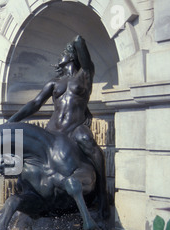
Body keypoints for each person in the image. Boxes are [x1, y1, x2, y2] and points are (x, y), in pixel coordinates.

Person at [8, 35, 108, 217]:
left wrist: (76, 42)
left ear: (71, 56)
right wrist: (12, 120)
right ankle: (25, 192)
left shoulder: (85, 75)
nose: (59, 57)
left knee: (88, 141)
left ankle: (102, 198)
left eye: (63, 53)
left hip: (74, 128)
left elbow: (80, 43)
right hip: (53, 130)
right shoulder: (54, 82)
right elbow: (35, 103)